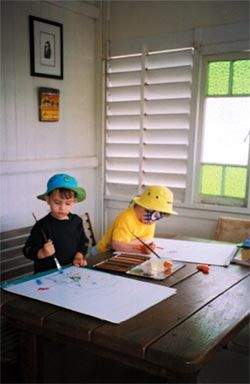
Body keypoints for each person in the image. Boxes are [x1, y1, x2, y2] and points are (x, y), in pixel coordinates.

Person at [23, 174, 89, 273]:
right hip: (46, 277)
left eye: (68, 203)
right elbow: (28, 250)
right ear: (48, 200)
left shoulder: (76, 221)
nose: (62, 208)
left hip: (71, 272)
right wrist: (42, 252)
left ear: (74, 201)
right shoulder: (42, 226)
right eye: (57, 202)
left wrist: (79, 256)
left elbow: (83, 242)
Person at [91, 185, 177, 255]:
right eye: (156, 215)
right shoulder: (126, 218)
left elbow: (146, 240)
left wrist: (128, 243)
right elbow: (116, 244)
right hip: (101, 254)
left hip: (120, 253)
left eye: (159, 217)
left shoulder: (150, 221)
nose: (154, 221)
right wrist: (141, 250)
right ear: (145, 206)